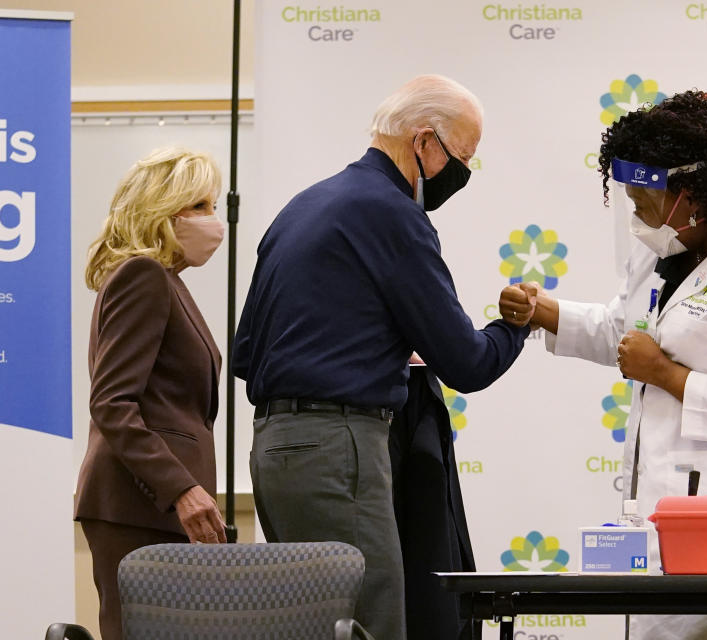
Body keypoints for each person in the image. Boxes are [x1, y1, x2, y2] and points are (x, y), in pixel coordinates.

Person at [502, 91, 707, 639]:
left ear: (692, 194)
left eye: (644, 201)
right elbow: (626, 331)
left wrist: (665, 375)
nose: (635, 215)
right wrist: (545, 312)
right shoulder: (667, 253)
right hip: (669, 535)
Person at [234, 74, 532, 640]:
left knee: (309, 626)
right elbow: (467, 363)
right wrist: (512, 327)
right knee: (368, 624)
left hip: (274, 448)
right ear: (424, 141)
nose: (461, 176)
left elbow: (248, 351)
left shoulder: (304, 205)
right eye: (461, 159)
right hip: (339, 450)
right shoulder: (392, 213)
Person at [75, 147, 227, 640]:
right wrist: (179, 489)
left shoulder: (165, 281)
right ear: (163, 210)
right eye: (200, 206)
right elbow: (112, 404)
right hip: (139, 504)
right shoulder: (143, 276)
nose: (214, 221)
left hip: (158, 507)